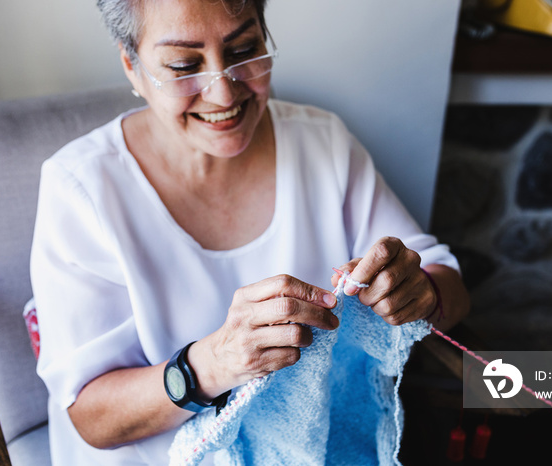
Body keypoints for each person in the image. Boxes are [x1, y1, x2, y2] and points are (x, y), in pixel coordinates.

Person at [30, 0, 470, 464]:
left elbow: (453, 294)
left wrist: (419, 292)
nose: (223, 94)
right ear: (132, 66)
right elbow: (92, 418)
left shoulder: (323, 144)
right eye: (184, 65)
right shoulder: (81, 189)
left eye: (243, 50)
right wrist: (214, 364)